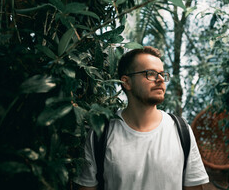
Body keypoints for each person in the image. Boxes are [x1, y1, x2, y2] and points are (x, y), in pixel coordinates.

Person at [75, 46, 209, 190]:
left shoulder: (181, 130)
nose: (161, 79)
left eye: (162, 74)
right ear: (126, 82)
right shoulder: (101, 134)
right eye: (151, 74)